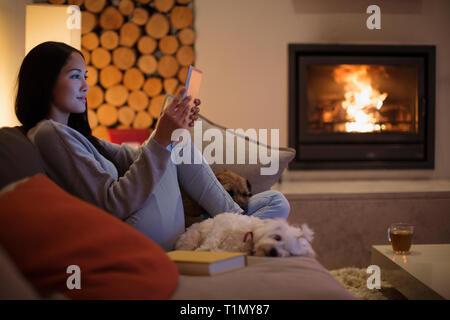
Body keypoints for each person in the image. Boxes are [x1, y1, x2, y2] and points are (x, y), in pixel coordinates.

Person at [16, 41, 290, 250]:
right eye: (75, 76)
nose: (86, 85)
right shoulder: (49, 134)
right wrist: (166, 136)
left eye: (85, 76)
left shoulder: (71, 133)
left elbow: (135, 157)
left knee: (276, 202)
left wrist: (168, 127)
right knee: (175, 142)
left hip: (146, 222)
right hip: (130, 232)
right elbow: (112, 204)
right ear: (45, 82)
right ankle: (233, 221)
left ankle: (233, 222)